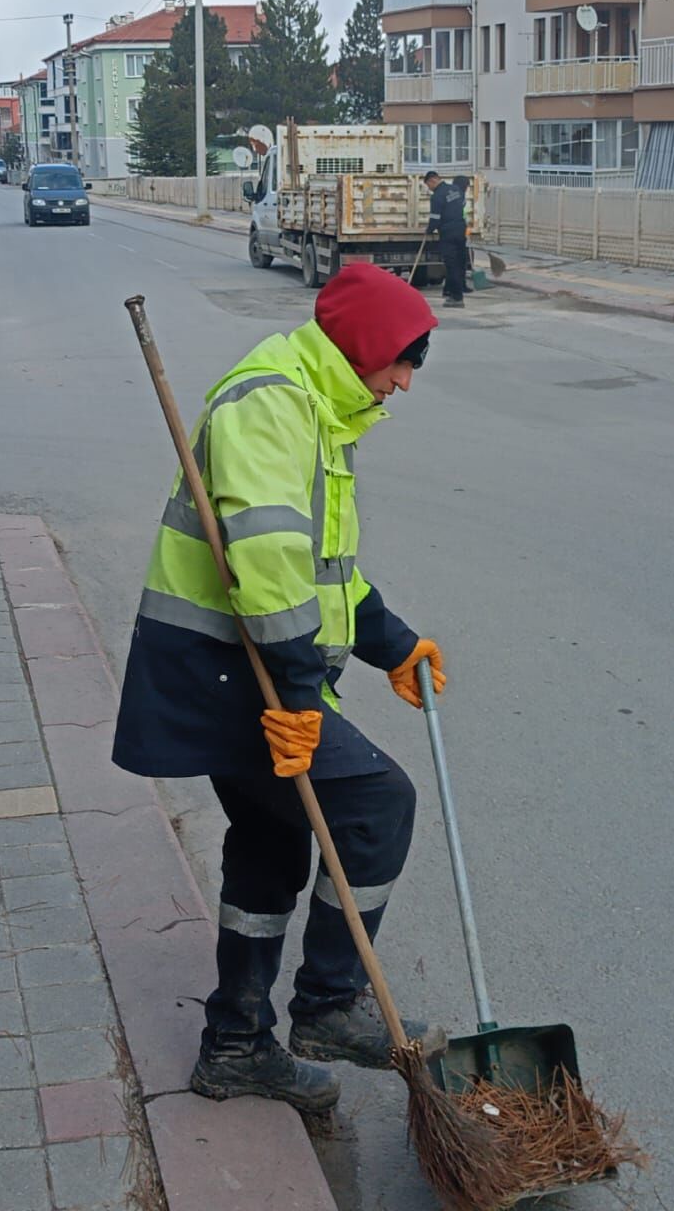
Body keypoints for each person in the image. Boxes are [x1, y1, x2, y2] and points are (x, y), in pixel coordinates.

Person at [114, 264, 449, 1113]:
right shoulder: (271, 402)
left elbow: (323, 572)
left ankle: (236, 1045)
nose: (405, 383)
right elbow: (266, 566)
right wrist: (298, 698)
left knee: (271, 842)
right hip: (231, 670)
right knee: (377, 805)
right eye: (402, 362)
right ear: (365, 347)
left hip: (244, 666)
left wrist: (394, 645)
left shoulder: (319, 411)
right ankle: (329, 1005)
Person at [424, 171, 470, 307]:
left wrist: (429, 230)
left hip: (448, 233)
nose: (429, 189)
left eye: (428, 185)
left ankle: (457, 298)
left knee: (451, 266)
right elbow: (463, 204)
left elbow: (435, 218)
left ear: (432, 180)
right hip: (461, 230)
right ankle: (452, 293)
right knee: (459, 264)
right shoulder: (456, 189)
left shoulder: (437, 196)